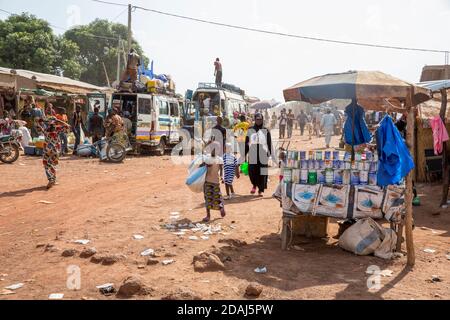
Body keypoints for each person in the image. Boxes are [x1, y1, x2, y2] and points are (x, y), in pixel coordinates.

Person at [36, 116, 71, 189]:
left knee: (47, 164)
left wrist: (42, 121)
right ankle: (53, 179)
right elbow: (68, 126)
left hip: (47, 150)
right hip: (56, 150)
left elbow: (38, 125)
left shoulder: (45, 130)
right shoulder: (57, 129)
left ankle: (51, 179)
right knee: (53, 164)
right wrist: (58, 120)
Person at [245, 113, 273, 196]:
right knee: (252, 171)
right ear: (255, 120)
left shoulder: (266, 130)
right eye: (257, 119)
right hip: (253, 153)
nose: (259, 121)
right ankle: (254, 185)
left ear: (262, 119)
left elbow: (269, 142)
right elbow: (246, 142)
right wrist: (244, 154)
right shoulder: (250, 130)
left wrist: (269, 153)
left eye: (260, 119)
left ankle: (260, 189)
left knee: (263, 172)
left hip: (263, 153)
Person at [203, 141, 226, 223]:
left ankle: (212, 213)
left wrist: (222, 177)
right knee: (213, 197)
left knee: (211, 197)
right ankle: (217, 210)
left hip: (211, 181)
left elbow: (221, 169)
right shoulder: (212, 158)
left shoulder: (210, 158)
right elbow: (221, 170)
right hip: (212, 181)